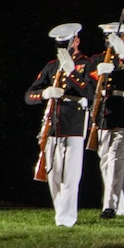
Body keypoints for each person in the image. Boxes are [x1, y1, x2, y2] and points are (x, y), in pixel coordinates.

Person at [25, 23, 95, 227]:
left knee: (70, 175)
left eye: (67, 44)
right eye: (61, 45)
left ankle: (66, 219)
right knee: (53, 174)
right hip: (53, 124)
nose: (64, 49)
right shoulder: (51, 66)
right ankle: (61, 214)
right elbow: (29, 95)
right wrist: (45, 93)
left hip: (73, 122)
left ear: (76, 41)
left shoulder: (86, 64)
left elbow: (90, 92)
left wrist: (72, 72)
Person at [88, 20, 124, 218]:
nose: (110, 41)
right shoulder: (97, 59)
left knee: (116, 159)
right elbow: (86, 82)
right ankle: (120, 206)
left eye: (116, 37)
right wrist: (97, 74)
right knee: (105, 161)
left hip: (121, 112)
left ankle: (109, 205)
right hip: (102, 113)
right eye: (108, 38)